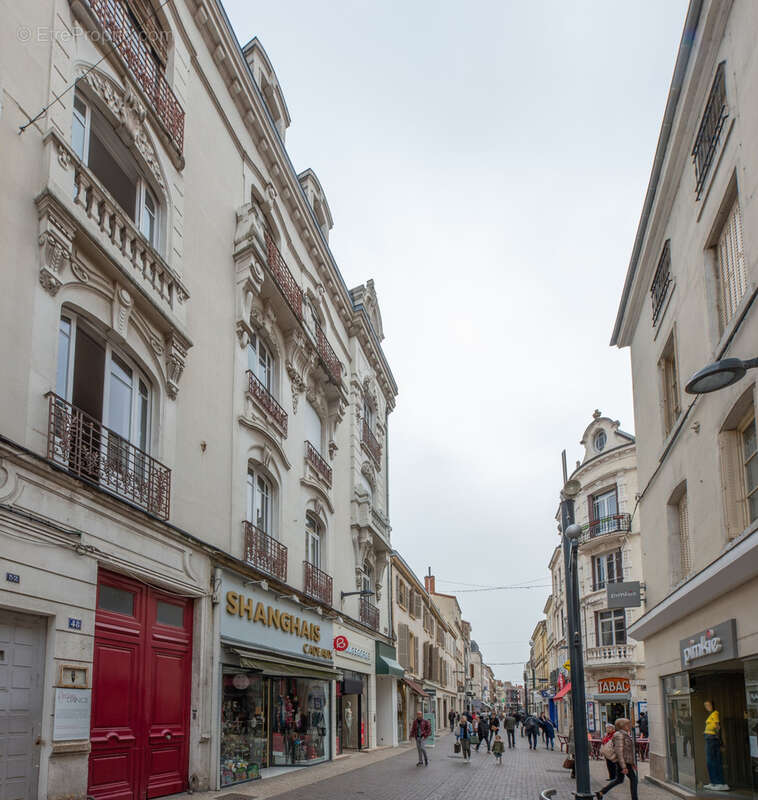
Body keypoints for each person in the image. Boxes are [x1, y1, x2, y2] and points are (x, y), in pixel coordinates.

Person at [594, 718, 637, 800]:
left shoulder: (624, 734)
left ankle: (601, 792)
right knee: (634, 780)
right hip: (623, 762)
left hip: (625, 761)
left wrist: (632, 763)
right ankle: (635, 798)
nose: (629, 726)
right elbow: (619, 751)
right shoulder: (619, 735)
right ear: (622, 726)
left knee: (619, 780)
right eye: (627, 724)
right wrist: (624, 766)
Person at [703, 700, 729, 791]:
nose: (707, 707)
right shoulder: (712, 714)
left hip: (711, 739)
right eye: (705, 705)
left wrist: (719, 740)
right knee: (715, 760)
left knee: (711, 761)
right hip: (712, 738)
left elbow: (717, 727)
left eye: (708, 705)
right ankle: (716, 782)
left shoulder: (715, 714)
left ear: (712, 705)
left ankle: (716, 782)